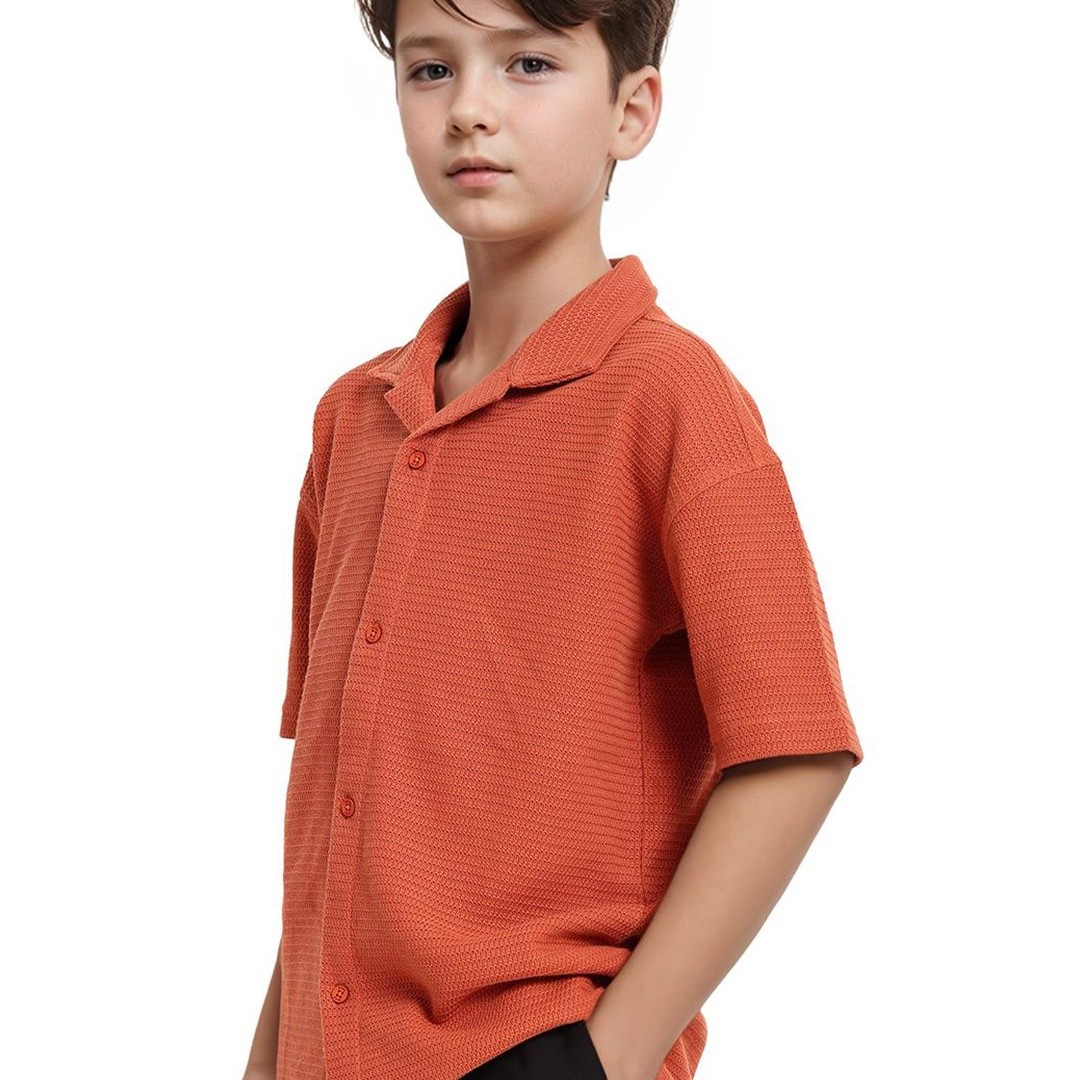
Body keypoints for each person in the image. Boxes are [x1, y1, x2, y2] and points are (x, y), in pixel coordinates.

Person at [243, 1, 866, 1079]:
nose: (470, 110)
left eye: (528, 64)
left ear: (633, 111)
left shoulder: (670, 398)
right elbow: (338, 824)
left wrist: (601, 1060)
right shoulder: (354, 420)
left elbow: (796, 749)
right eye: (431, 69)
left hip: (533, 1047)